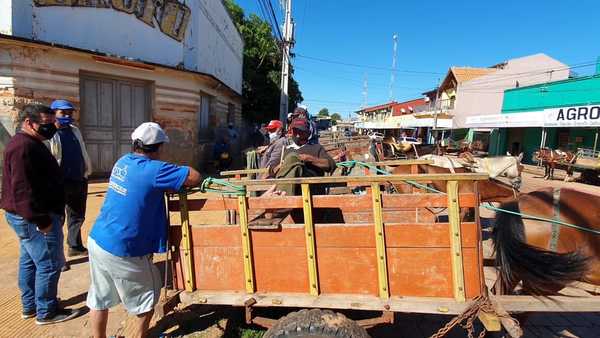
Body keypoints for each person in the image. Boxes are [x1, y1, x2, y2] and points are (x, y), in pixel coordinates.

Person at [86, 122, 201, 338]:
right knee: (149, 293)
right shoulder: (156, 169)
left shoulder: (122, 162)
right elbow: (195, 176)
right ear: (158, 148)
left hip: (98, 239)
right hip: (123, 246)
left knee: (99, 297)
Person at [1, 104, 80, 325]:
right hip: (35, 217)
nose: (51, 127)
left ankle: (31, 306)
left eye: (51, 123)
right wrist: (42, 221)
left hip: (29, 216)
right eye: (45, 124)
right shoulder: (23, 148)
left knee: (30, 262)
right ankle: (47, 311)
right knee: (49, 263)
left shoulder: (31, 142)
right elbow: (22, 189)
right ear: (29, 123)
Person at [47, 99, 92, 265]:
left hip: (79, 179)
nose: (67, 115)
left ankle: (74, 245)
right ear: (54, 114)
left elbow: (82, 150)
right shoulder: (49, 134)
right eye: (62, 113)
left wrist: (86, 172)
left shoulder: (74, 130)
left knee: (77, 215)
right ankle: (58, 258)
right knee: (57, 219)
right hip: (60, 183)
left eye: (69, 113)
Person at [274, 118, 336, 196]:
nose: (297, 134)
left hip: (311, 190)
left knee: (293, 159)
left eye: (301, 131)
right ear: (291, 131)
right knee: (291, 159)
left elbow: (330, 165)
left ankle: (284, 197)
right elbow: (273, 171)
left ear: (308, 133)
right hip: (288, 187)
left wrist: (309, 159)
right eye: (295, 130)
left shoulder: (316, 148)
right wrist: (280, 167)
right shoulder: (287, 149)